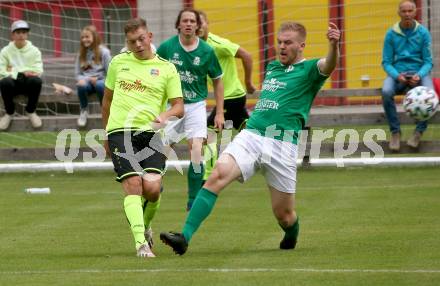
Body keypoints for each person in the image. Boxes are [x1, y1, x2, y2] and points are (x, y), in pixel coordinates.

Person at [160, 21, 341, 255]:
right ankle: (184, 237)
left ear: (302, 46)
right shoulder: (274, 67)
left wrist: (334, 45)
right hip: (252, 135)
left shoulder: (309, 71)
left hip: (282, 144)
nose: (282, 47)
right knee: (217, 175)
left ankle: (291, 231)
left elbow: (329, 65)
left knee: (284, 215)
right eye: (279, 42)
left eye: (288, 43)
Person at [102, 18, 184, 258]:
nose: (137, 45)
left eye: (140, 39)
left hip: (151, 135)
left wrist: (166, 114)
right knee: (133, 185)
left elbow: (179, 106)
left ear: (149, 36)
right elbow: (106, 100)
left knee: (153, 190)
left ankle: (146, 226)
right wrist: (105, 132)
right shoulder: (118, 63)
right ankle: (141, 244)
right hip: (120, 131)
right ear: (126, 43)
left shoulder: (167, 68)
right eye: (131, 42)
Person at [156, 8, 224, 211]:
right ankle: (154, 183)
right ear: (178, 24)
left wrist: (219, 112)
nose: (188, 24)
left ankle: (193, 199)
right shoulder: (167, 48)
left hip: (196, 105)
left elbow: (218, 82)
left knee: (196, 150)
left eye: (192, 21)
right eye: (184, 20)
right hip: (172, 105)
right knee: (163, 148)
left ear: (197, 25)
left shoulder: (207, 51)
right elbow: (155, 74)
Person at [198, 10, 256, 182]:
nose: (198, 27)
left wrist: (248, 82)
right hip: (232, 97)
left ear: (208, 24)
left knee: (209, 134)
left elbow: (246, 55)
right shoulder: (197, 48)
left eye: (201, 22)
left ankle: (207, 177)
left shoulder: (217, 44)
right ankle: (257, 158)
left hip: (231, 97)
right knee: (249, 131)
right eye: (195, 23)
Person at [381, 0, 433, 151]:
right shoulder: (391, 34)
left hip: (419, 72)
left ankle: (418, 132)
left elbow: (428, 62)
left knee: (430, 95)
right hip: (398, 73)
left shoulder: (423, 33)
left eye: (410, 11)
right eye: (404, 11)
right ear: (399, 13)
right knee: (386, 92)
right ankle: (395, 132)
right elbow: (386, 62)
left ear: (415, 12)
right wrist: (397, 75)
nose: (407, 14)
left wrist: (419, 74)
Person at [0, 20, 43, 130]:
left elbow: (38, 70)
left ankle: (31, 111)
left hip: (27, 83)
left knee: (36, 81)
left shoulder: (35, 51)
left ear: (27, 34)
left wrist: (13, 71)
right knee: (5, 82)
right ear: (12, 35)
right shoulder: (5, 51)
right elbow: (1, 71)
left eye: (24, 32)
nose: (21, 35)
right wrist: (21, 73)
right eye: (18, 32)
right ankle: (9, 113)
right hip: (12, 85)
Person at [75, 25, 111, 127]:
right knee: (80, 85)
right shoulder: (81, 54)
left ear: (94, 37)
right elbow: (77, 74)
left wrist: (99, 79)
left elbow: (110, 73)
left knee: (100, 85)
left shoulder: (104, 52)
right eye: (83, 37)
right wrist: (84, 79)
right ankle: (84, 110)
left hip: (101, 81)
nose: (84, 40)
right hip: (87, 82)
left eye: (87, 37)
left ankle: (104, 109)